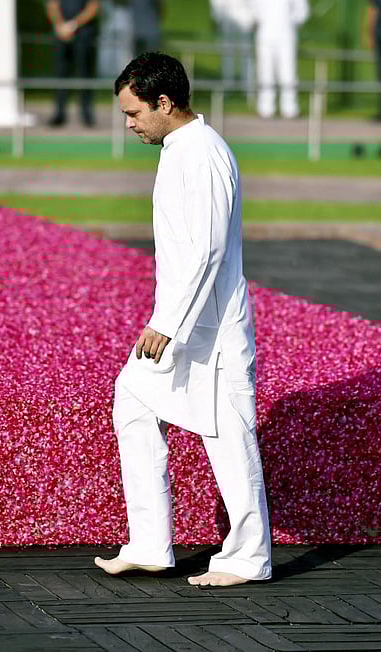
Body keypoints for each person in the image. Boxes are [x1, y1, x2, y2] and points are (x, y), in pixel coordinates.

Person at [95, 52, 272, 587]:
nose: (129, 125)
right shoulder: (180, 149)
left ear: (164, 102)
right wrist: (167, 322)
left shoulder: (204, 153)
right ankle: (150, 543)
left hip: (211, 330)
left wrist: (167, 322)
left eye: (134, 114)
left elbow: (208, 251)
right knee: (132, 400)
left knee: (229, 437)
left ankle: (248, 557)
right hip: (177, 327)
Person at [249, 0, 309, 119]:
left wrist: (289, 23)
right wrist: (263, 21)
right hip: (265, 34)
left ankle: (290, 108)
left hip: (286, 35)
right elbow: (253, 8)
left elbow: (302, 11)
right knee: (265, 72)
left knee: (288, 72)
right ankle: (266, 108)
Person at [45, 0, 99, 127]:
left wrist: (73, 25)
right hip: (61, 34)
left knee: (84, 74)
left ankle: (86, 114)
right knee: (60, 73)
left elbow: (93, 6)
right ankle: (59, 113)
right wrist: (60, 25)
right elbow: (52, 5)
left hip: (84, 34)